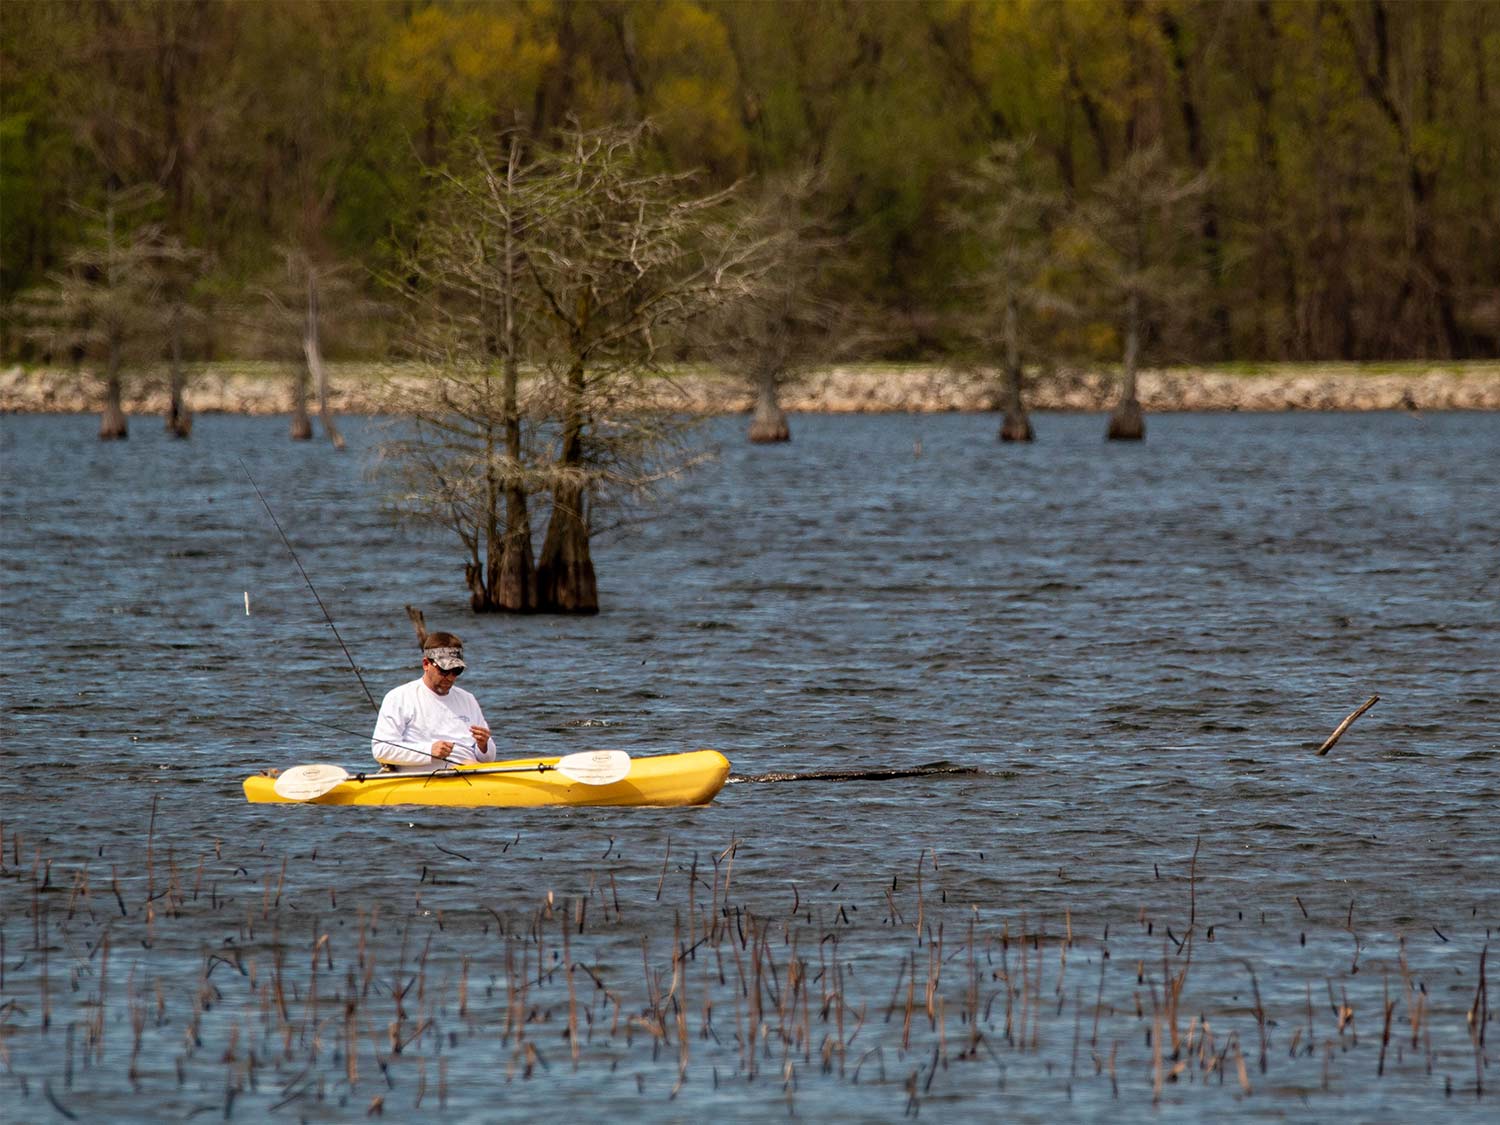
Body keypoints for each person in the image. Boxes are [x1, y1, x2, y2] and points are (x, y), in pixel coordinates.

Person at [371, 631, 495, 771]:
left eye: (456, 671)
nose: (449, 677)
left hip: (470, 775)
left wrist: (484, 745)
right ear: (426, 664)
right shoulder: (399, 697)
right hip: (424, 782)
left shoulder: (468, 699)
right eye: (443, 670)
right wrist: (429, 750)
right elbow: (381, 749)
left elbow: (488, 758)